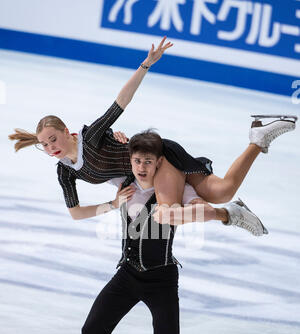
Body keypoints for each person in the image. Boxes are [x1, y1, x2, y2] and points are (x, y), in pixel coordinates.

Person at [62, 130, 268, 334]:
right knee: (92, 331)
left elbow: (195, 207)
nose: (141, 167)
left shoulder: (178, 190)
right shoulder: (123, 183)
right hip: (128, 274)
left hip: (161, 279)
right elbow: (91, 166)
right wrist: (72, 151)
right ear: (129, 161)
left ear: (159, 163)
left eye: (147, 161)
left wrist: (210, 212)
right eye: (136, 161)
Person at [8, 37, 296, 219]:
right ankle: (257, 138)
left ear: (65, 131)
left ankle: (227, 216)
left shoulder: (91, 137)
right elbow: (75, 213)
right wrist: (112, 203)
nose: (50, 148)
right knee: (222, 190)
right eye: (43, 145)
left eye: (52, 139)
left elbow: (120, 103)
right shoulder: (65, 171)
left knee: (169, 215)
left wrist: (145, 65)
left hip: (156, 158)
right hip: (145, 176)